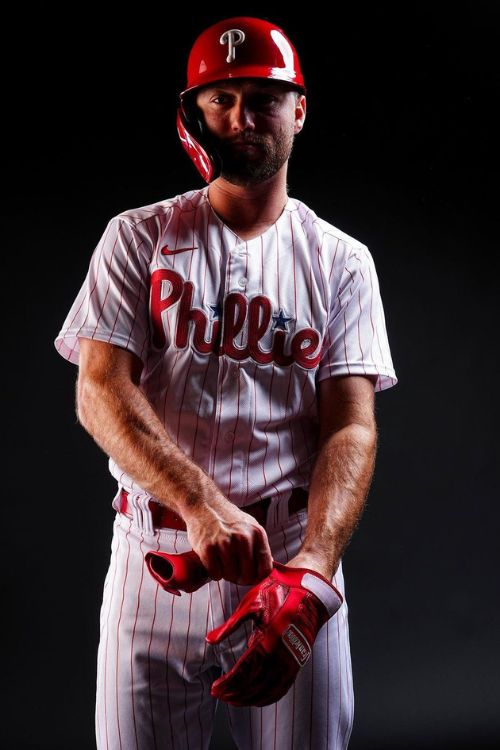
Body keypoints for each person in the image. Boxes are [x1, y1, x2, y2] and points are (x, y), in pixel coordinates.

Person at [54, 16, 398, 750]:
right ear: (194, 115)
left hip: (286, 555)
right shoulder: (136, 238)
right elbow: (99, 391)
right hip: (156, 556)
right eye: (223, 98)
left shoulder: (342, 262)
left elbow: (352, 425)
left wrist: (313, 573)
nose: (243, 117)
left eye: (265, 98)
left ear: (299, 110)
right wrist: (200, 505)